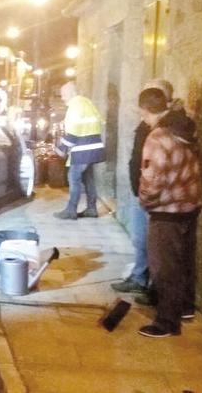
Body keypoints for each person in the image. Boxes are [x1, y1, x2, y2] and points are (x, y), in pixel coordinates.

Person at [135, 87, 201, 338]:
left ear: (145, 110)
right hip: (188, 207)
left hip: (166, 210)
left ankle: (167, 322)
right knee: (183, 263)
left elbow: (152, 177)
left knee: (164, 268)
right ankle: (184, 307)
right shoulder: (184, 129)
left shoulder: (158, 137)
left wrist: (145, 201)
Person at [112, 79, 175, 294]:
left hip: (150, 195)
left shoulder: (162, 131)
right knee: (141, 239)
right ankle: (141, 276)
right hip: (141, 189)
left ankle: (148, 284)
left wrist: (146, 195)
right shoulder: (151, 126)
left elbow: (156, 167)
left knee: (148, 241)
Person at [53, 81, 105, 220]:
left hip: (82, 150)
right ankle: (92, 208)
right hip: (93, 148)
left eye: (63, 95)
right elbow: (101, 121)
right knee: (89, 179)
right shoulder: (87, 103)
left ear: (70, 93)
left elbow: (73, 132)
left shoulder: (74, 106)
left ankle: (71, 210)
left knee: (73, 178)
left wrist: (61, 149)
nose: (62, 98)